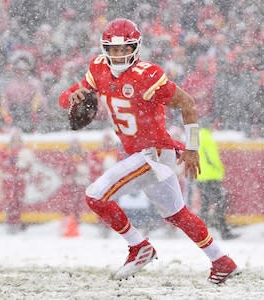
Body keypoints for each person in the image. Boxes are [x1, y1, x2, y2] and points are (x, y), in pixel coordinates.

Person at [59, 18, 239, 284]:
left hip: (152, 153)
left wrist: (192, 147)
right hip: (144, 154)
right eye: (114, 49)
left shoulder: (147, 75)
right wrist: (70, 97)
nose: (118, 54)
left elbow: (188, 103)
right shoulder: (98, 68)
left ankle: (138, 246)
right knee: (178, 214)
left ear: (136, 47)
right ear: (105, 48)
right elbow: (68, 96)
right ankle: (222, 262)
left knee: (95, 196)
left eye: (124, 49)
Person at [196, 126, 239, 240]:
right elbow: (212, 157)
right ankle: (224, 232)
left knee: (205, 206)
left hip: (200, 176)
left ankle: (200, 233)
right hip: (211, 176)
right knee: (220, 204)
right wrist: (220, 169)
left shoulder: (196, 137)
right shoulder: (207, 137)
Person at [0, 128, 31, 234]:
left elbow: (29, 165)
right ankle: (10, 223)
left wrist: (23, 165)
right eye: (14, 136)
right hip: (9, 180)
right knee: (10, 202)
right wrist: (9, 161)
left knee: (18, 202)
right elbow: (0, 162)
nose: (16, 139)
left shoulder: (24, 150)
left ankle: (17, 222)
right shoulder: (6, 149)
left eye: (18, 136)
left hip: (20, 180)